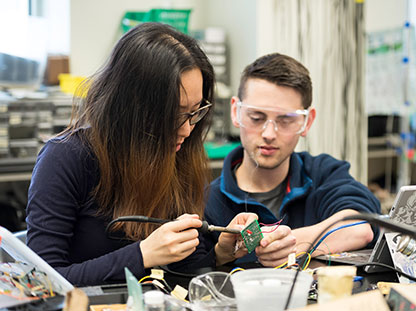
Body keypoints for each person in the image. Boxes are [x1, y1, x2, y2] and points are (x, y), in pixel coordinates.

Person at [26, 22, 260, 286]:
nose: (186, 129)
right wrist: (142, 255)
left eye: (195, 111)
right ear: (131, 107)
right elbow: (41, 283)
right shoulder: (66, 157)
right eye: (174, 114)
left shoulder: (179, 153)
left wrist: (220, 254)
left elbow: (184, 273)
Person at [202, 53, 381, 267]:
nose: (269, 133)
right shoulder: (207, 202)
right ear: (235, 112)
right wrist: (220, 255)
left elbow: (361, 227)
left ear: (307, 121)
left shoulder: (323, 173)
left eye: (286, 120)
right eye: (256, 118)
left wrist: (293, 243)